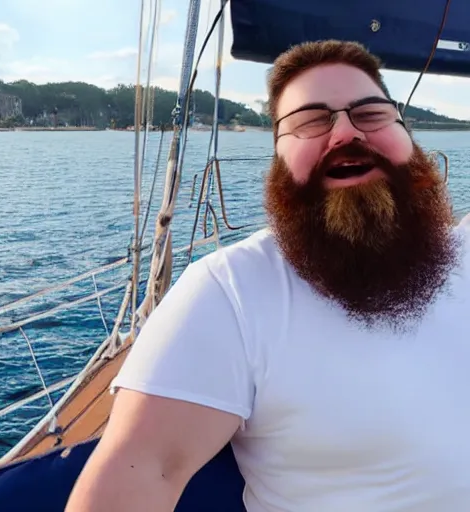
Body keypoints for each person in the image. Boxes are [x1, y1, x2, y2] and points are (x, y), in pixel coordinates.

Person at [66, 40, 470, 512]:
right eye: (311, 121)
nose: (344, 132)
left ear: (408, 136)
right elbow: (141, 475)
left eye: (371, 113)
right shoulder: (230, 295)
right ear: (278, 158)